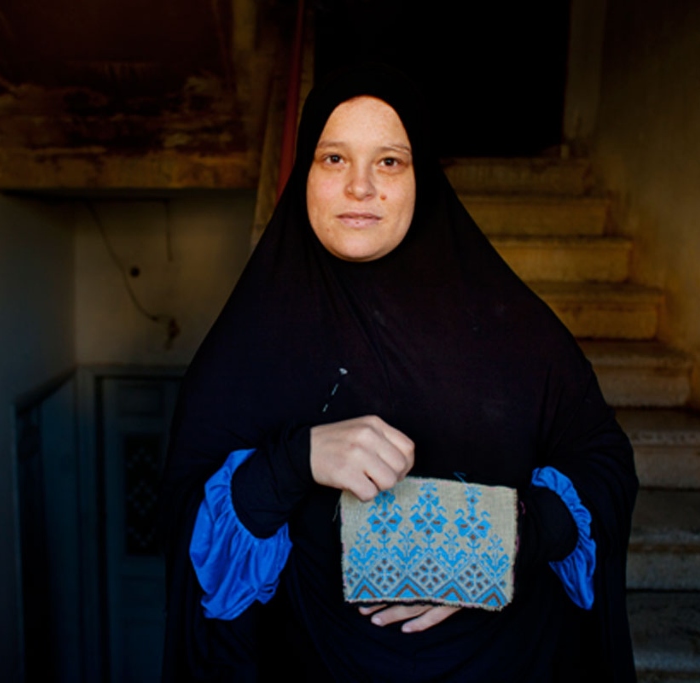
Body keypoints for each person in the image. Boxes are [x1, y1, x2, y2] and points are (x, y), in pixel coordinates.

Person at [160, 63, 638, 682]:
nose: (360, 187)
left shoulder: (513, 329)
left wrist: (502, 541)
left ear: (423, 178)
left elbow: (604, 467)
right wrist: (294, 461)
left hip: (503, 663)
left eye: (389, 161)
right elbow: (191, 537)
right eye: (334, 159)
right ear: (303, 171)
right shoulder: (248, 343)